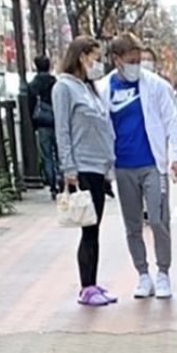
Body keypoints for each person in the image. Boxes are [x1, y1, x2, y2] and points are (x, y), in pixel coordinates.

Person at [103, 32, 177, 301]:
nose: (136, 66)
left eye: (138, 60)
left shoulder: (155, 86)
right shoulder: (104, 89)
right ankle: (142, 274)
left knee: (159, 220)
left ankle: (163, 272)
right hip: (123, 166)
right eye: (131, 61)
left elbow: (171, 121)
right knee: (132, 225)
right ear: (117, 60)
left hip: (153, 165)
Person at [53, 37, 116, 308]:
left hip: (98, 167)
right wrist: (69, 168)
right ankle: (86, 287)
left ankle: (92, 282)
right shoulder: (64, 88)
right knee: (89, 228)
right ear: (82, 56)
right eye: (95, 58)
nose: (98, 64)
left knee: (95, 227)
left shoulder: (89, 89)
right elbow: (62, 129)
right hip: (82, 167)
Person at [28, 54, 60, 198]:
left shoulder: (33, 85)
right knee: (59, 154)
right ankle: (61, 180)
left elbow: (30, 106)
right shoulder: (55, 82)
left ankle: (52, 185)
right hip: (57, 122)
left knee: (47, 156)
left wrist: (33, 123)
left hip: (42, 123)